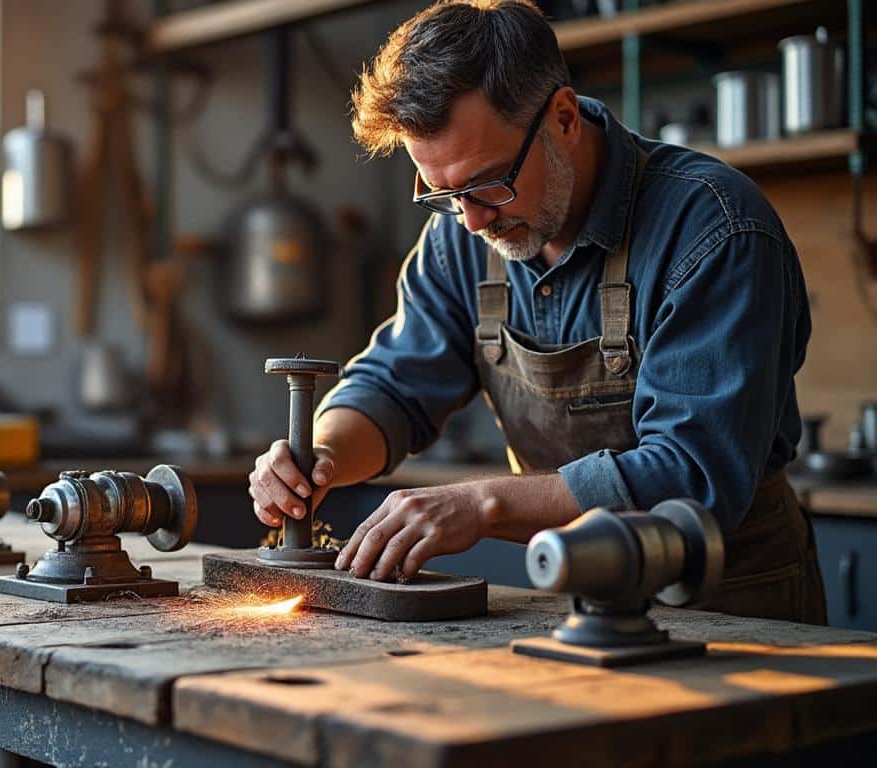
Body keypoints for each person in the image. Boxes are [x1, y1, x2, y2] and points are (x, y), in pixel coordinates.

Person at [246, 0, 825, 624]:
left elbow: (692, 475)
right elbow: (395, 385)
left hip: (736, 602)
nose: (470, 219)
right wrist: (322, 455)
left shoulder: (714, 229)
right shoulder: (462, 234)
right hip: (585, 593)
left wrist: (485, 504)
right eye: (440, 193)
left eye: (488, 183)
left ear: (564, 118)